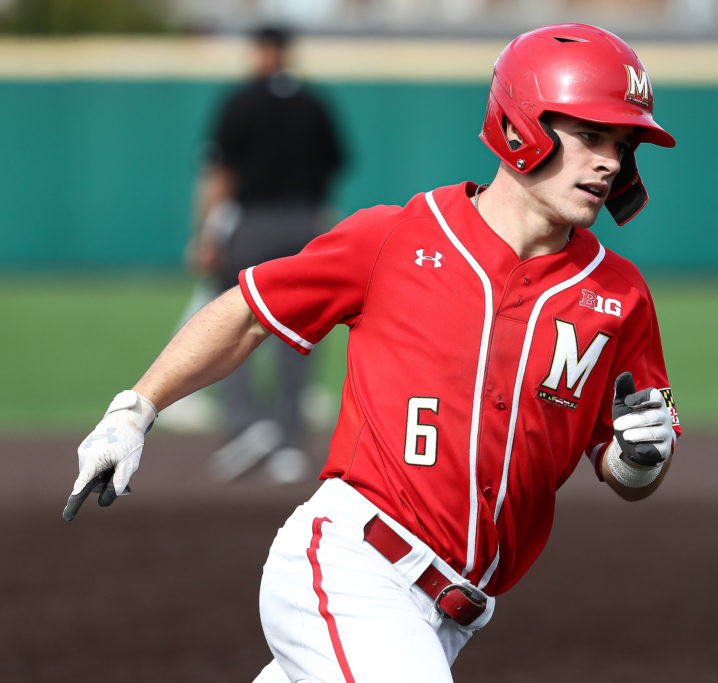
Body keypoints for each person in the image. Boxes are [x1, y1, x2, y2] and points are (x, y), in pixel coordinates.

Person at [63, 23, 681, 683]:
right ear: (521, 124)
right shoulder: (396, 238)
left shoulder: (620, 295)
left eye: (622, 143)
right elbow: (246, 313)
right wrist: (135, 409)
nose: (611, 161)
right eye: (591, 135)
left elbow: (620, 459)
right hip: (354, 567)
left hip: (447, 620)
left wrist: (641, 461)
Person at [189, 24, 347, 483]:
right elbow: (331, 171)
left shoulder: (241, 101)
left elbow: (220, 174)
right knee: (299, 331)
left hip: (253, 224)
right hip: (304, 224)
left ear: (261, 50)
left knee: (227, 318)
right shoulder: (314, 103)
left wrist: (206, 233)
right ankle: (289, 444)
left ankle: (249, 423)